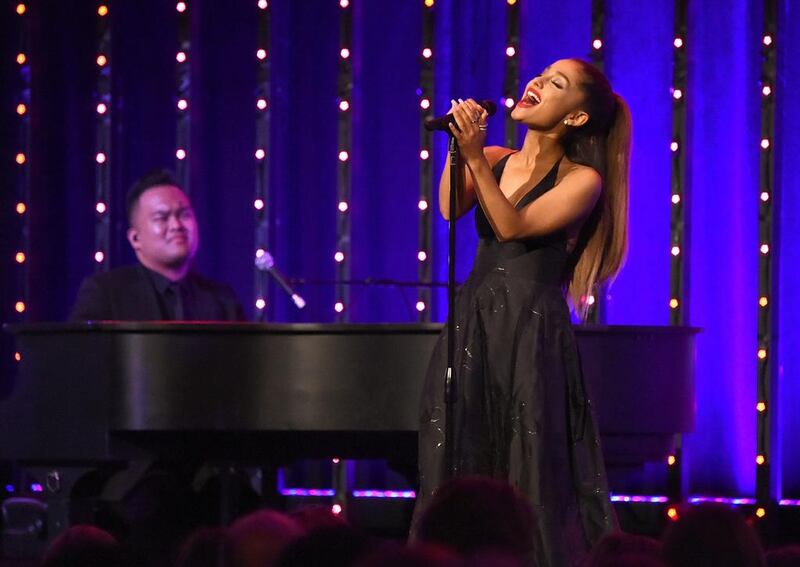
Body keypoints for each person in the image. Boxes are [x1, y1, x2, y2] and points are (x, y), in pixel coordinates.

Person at [412, 58, 631, 567]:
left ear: (575, 118)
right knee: (457, 447)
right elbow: (449, 206)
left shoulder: (583, 181)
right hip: (476, 320)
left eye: (556, 84)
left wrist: (473, 159)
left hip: (531, 328)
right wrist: (462, 153)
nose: (536, 81)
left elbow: (511, 226)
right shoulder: (494, 156)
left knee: (527, 461)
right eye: (542, 74)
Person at [70, 169, 244, 321]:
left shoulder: (222, 299)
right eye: (162, 217)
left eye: (184, 215)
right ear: (135, 239)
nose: (176, 225)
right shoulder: (106, 293)